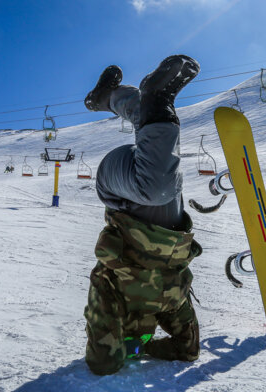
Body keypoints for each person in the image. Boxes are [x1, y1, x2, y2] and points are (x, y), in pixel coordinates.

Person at [82, 55, 202, 375]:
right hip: (167, 225)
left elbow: (102, 362)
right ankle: (108, 97)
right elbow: (188, 348)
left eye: (133, 339)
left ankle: (155, 100)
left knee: (157, 187)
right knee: (160, 176)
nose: (141, 334)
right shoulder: (170, 299)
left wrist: (134, 349)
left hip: (119, 194)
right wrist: (148, 347)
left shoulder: (109, 291)